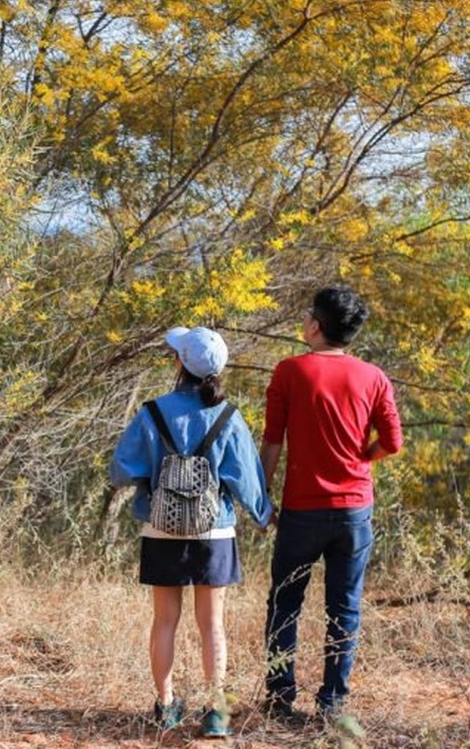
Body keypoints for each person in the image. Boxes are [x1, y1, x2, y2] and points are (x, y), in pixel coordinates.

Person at [111, 326, 274, 737]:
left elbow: (122, 470)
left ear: (179, 362)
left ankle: (166, 707)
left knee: (164, 621)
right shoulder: (229, 417)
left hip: (161, 529)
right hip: (213, 532)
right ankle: (216, 711)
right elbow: (247, 482)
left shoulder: (152, 412)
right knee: (212, 624)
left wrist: (157, 475)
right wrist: (263, 515)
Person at [261, 285, 403, 725]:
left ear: (317, 327)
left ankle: (280, 697)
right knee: (344, 608)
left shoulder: (289, 371)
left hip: (302, 510)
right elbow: (393, 442)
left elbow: (272, 442)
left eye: (307, 315)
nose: (303, 320)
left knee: (285, 603)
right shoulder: (373, 376)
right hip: (354, 510)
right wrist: (364, 457)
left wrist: (261, 498)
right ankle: (332, 704)